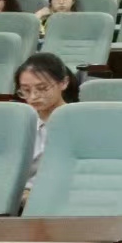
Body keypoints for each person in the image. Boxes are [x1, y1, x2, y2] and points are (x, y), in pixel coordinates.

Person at [13, 52, 77, 195]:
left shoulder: (78, 122)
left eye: (42, 88)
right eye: (26, 90)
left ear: (64, 83)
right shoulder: (18, 124)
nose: (33, 96)